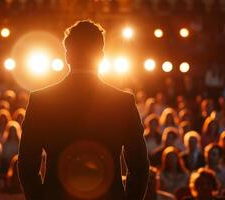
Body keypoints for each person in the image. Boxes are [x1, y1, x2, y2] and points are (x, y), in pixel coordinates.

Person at [18, 20, 149, 200]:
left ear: (67, 56)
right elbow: (139, 166)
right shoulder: (122, 102)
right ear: (101, 56)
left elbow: (27, 164)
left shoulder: (41, 101)